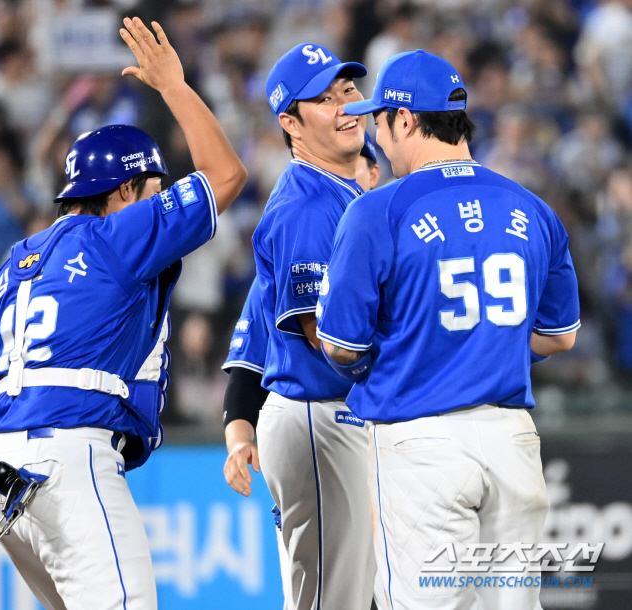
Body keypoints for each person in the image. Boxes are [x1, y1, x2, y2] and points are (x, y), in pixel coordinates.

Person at [0, 17, 246, 610]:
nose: (161, 197)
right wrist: (174, 86)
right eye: (154, 186)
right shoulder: (118, 235)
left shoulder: (14, 265)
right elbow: (226, 176)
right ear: (124, 191)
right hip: (68, 460)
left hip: (1, 477)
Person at [317, 50, 580, 610]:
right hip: (512, 441)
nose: (376, 138)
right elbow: (560, 336)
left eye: (378, 120)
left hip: (421, 442)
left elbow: (341, 346)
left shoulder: (378, 210)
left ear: (406, 119)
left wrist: (426, 344)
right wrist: (485, 344)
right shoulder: (532, 208)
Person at [229, 41, 378, 610]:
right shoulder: (309, 206)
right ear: (290, 122)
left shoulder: (345, 192)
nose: (346, 106)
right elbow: (327, 337)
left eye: (348, 91)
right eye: (323, 99)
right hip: (320, 415)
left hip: (340, 418)